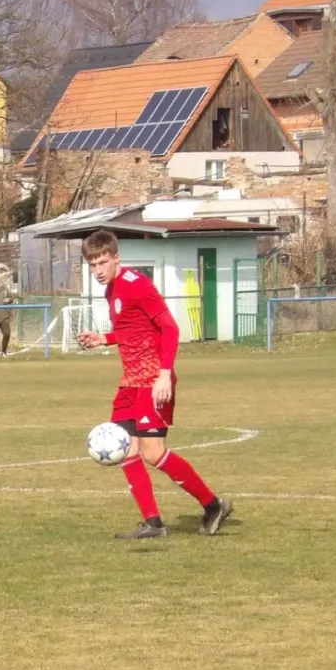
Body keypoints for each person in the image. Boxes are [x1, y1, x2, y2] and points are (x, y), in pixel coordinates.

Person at [76, 229, 231, 539]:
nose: (98, 271)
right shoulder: (111, 290)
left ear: (116, 258)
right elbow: (134, 331)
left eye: (102, 263)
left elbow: (169, 328)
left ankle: (213, 505)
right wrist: (104, 338)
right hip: (130, 381)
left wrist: (164, 374)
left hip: (152, 379)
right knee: (127, 448)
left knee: (153, 452)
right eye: (92, 265)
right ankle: (153, 523)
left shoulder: (138, 286)